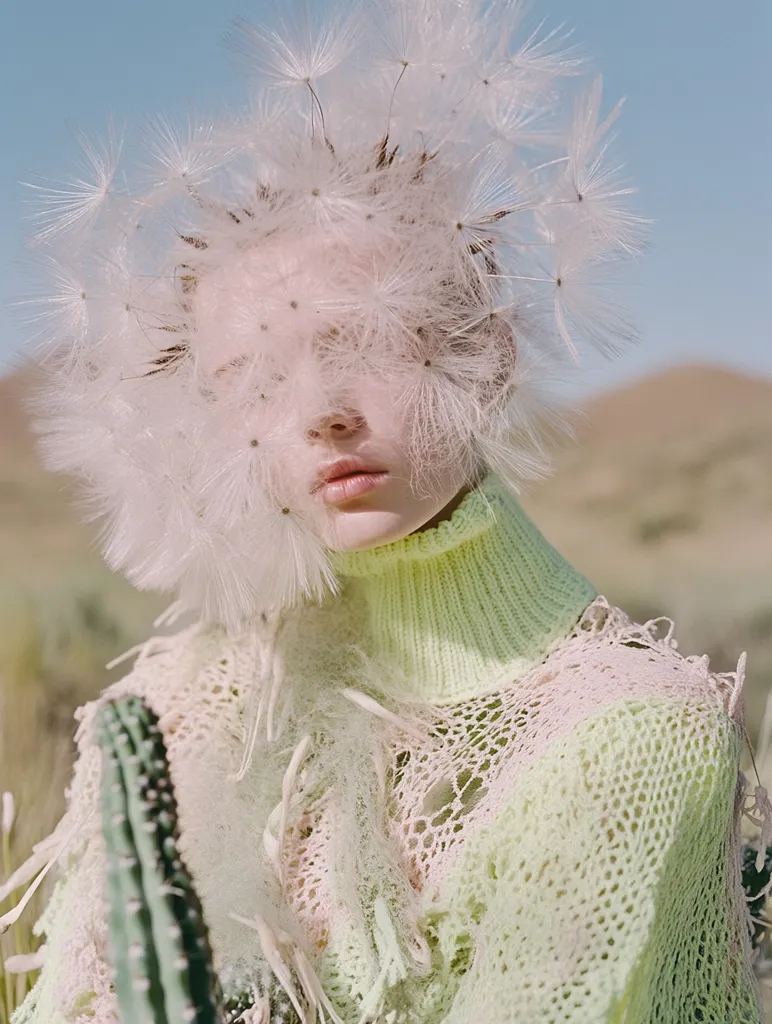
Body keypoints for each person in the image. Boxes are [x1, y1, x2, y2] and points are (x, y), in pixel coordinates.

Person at [3, 1, 765, 1020]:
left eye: (365, 339)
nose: (321, 412)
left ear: (486, 354)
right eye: (255, 379)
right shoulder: (178, 705)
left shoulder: (628, 737)